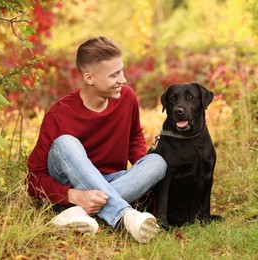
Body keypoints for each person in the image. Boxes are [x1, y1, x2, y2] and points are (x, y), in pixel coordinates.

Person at [26, 36, 167, 243]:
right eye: (114, 75)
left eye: (122, 71)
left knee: (157, 162)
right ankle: (125, 216)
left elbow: (134, 136)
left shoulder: (127, 98)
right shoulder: (59, 114)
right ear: (89, 78)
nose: (123, 79)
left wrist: (140, 172)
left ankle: (79, 214)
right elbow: (33, 178)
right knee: (66, 142)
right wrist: (74, 195)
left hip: (113, 179)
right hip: (71, 186)